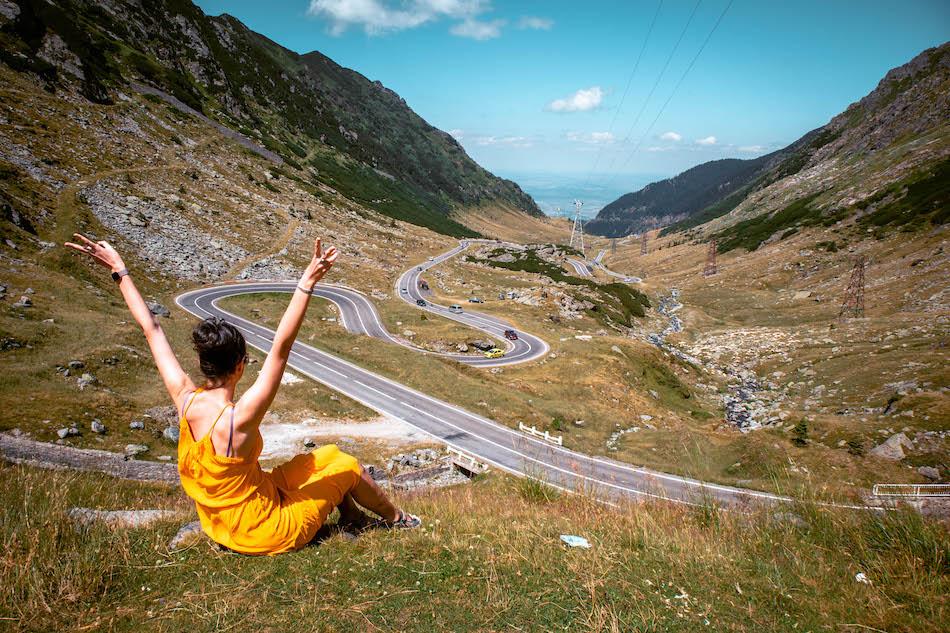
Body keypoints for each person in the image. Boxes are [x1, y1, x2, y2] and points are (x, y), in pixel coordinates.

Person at [65, 233, 420, 555]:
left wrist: (120, 272)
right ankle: (397, 519)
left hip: (232, 516)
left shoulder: (185, 399)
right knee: (349, 468)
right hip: (265, 530)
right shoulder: (240, 417)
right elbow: (281, 347)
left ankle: (353, 519)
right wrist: (307, 282)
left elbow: (152, 329)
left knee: (326, 456)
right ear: (239, 365)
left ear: (204, 362)